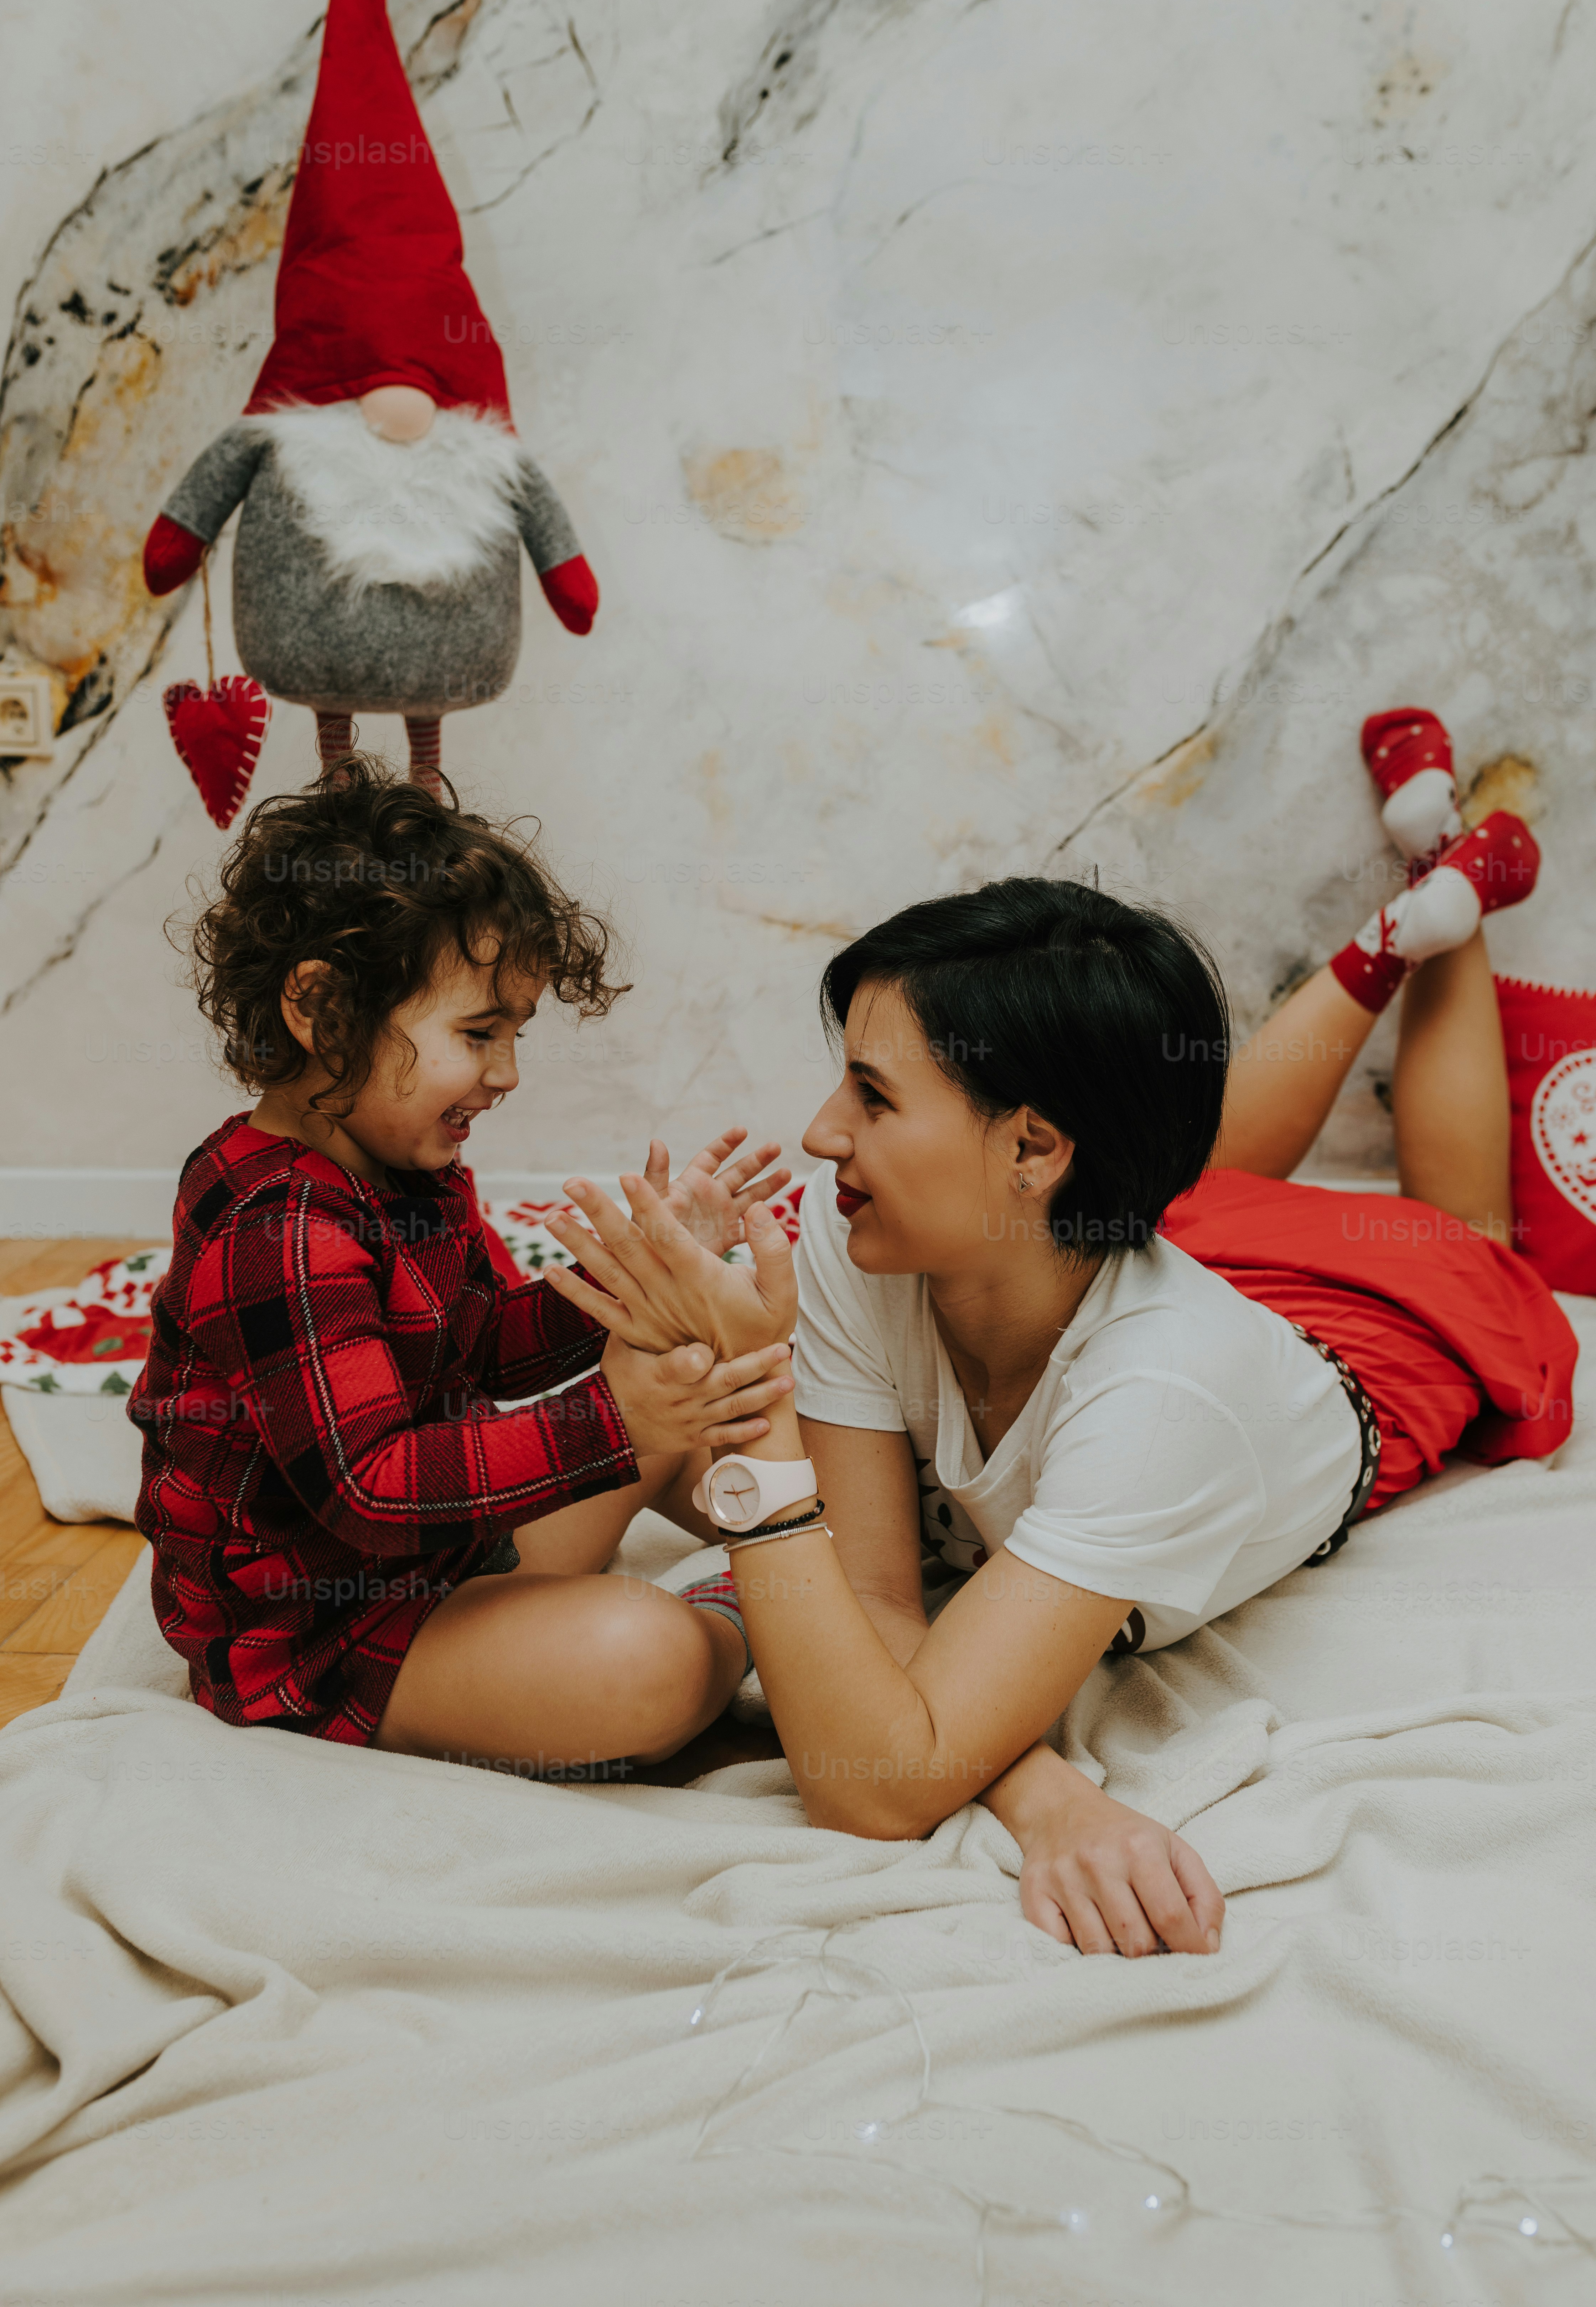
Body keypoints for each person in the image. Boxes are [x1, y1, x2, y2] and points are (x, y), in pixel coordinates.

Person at [540, 709, 1577, 1956]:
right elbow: (874, 1597)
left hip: (1368, 1337)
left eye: (872, 1096)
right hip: (1095, 1251)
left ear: (1029, 1146)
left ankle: (1431, 920)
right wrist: (1045, 1791)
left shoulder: (1168, 1400)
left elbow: (873, 1774)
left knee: (1454, 1223)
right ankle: (1411, 915)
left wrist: (758, 1413)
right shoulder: (879, 1220)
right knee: (1193, 1172)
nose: (820, 1135)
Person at [131, 757, 796, 1768]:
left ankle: (808, 1573)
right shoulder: (277, 1226)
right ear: (324, 1009)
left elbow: (481, 1346)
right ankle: (735, 1610)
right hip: (322, 1629)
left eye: (516, 1034)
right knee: (645, 1658)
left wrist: (650, 1273)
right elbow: (369, 1487)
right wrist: (610, 1418)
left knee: (686, 1398)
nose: (508, 1073)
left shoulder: (410, 1169)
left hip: (442, 1554)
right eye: (480, 1033)